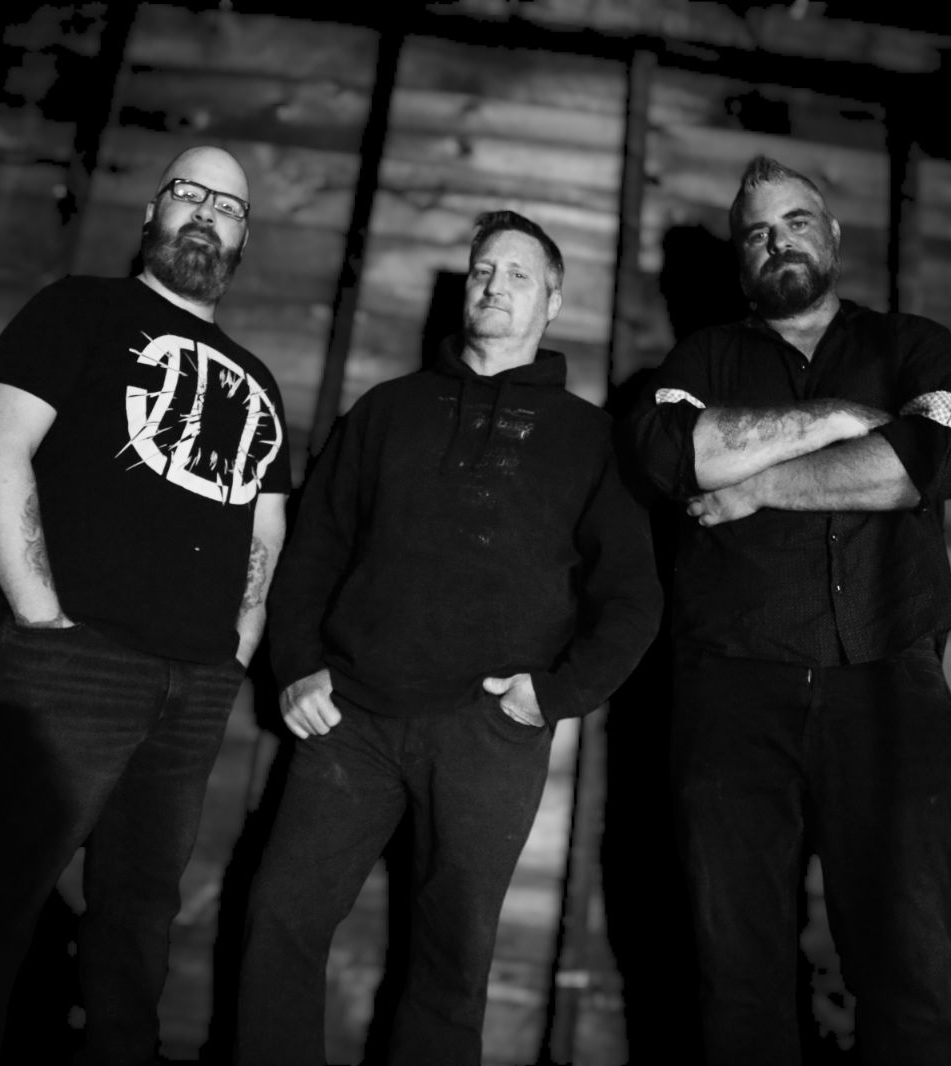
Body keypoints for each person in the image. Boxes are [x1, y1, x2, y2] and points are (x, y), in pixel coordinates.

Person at [235, 211, 661, 1066]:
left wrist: (552, 696)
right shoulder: (387, 411)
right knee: (277, 920)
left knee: (450, 960)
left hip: (488, 733)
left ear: (552, 300)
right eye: (480, 272)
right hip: (349, 718)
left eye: (515, 275)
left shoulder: (593, 441)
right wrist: (297, 668)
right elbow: (312, 548)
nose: (493, 287)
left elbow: (633, 599)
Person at [0, 145, 290, 1065]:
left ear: (241, 240)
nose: (205, 213)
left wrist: (234, 648)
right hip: (73, 658)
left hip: (195, 683)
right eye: (188, 193)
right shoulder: (77, 308)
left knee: (138, 925)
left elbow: (265, 527)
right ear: (151, 211)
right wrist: (40, 617)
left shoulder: (259, 378)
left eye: (227, 206)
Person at [630, 155, 951, 1065]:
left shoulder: (912, 344)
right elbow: (672, 453)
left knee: (912, 972)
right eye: (756, 232)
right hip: (730, 693)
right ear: (740, 261)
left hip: (887, 683)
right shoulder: (701, 360)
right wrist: (839, 419)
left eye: (795, 221)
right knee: (735, 976)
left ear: (830, 236)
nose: (777, 240)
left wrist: (758, 488)